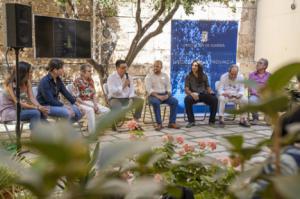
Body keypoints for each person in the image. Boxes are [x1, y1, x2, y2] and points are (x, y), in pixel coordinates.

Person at [0, 62, 48, 130]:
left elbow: (32, 98)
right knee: (35, 113)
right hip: (9, 112)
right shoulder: (10, 84)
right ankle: (36, 135)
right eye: (30, 72)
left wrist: (40, 107)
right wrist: (37, 107)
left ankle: (44, 133)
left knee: (43, 112)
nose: (32, 74)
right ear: (22, 73)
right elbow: (18, 102)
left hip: (20, 110)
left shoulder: (27, 82)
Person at [73, 64, 110, 133]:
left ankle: (96, 127)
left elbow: (93, 94)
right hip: (81, 103)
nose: (91, 73)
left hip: (91, 102)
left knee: (107, 111)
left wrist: (95, 105)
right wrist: (91, 106)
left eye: (91, 71)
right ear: (83, 72)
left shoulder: (91, 81)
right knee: (90, 110)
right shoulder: (77, 82)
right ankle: (92, 133)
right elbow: (76, 98)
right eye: (89, 71)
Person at [107, 59, 144, 128]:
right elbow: (112, 91)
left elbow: (132, 89)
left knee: (140, 100)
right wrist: (123, 86)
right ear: (117, 68)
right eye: (123, 68)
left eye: (125, 67)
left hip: (127, 98)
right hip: (115, 98)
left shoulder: (129, 77)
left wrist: (131, 97)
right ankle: (114, 122)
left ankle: (135, 121)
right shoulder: (111, 78)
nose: (125, 69)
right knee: (117, 108)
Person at [145, 60, 179, 131]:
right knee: (156, 102)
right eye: (154, 66)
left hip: (164, 95)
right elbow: (149, 89)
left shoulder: (165, 75)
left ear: (161, 67)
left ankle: (172, 122)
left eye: (157, 66)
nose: (155, 68)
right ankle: (159, 124)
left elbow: (169, 87)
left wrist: (167, 95)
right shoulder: (149, 76)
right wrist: (158, 96)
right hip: (153, 96)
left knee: (175, 101)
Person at [184, 60, 218, 128]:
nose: (193, 67)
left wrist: (210, 91)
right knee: (187, 99)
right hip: (194, 95)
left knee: (214, 99)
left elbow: (207, 86)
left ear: (199, 67)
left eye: (195, 66)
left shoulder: (204, 75)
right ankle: (191, 121)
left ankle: (212, 121)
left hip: (203, 95)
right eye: (192, 65)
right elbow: (186, 89)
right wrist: (192, 94)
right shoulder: (188, 76)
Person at [248, 58, 271, 124]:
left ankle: (267, 117)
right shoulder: (251, 75)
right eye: (257, 62)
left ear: (265, 66)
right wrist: (257, 93)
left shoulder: (269, 75)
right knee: (252, 100)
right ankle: (255, 118)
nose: (257, 64)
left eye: (260, 63)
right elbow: (250, 87)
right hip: (255, 95)